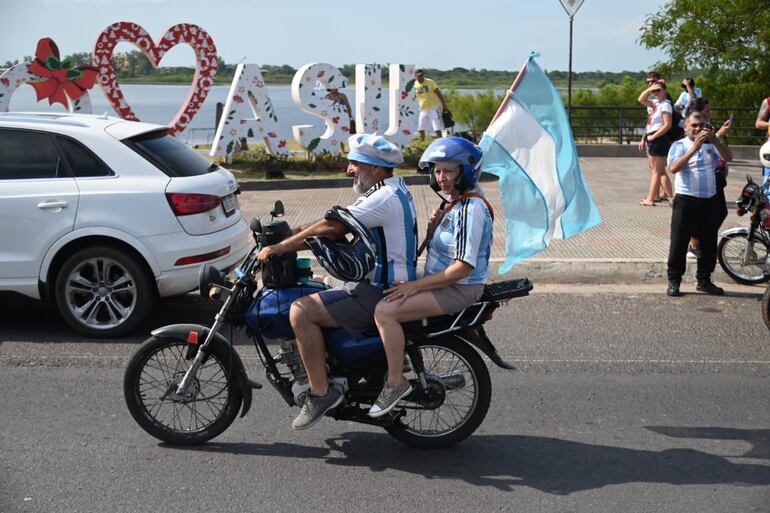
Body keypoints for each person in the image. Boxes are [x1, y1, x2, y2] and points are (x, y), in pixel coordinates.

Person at [256, 133, 418, 431]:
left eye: (355, 163)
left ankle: (320, 392)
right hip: (382, 283)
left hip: (379, 291)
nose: (349, 170)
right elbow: (332, 223)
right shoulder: (390, 190)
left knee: (300, 311)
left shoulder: (382, 198)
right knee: (322, 284)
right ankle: (336, 366)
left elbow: (333, 226)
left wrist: (281, 247)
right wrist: (289, 234)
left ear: (375, 167)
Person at [368, 137, 493, 417]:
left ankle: (396, 382)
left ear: (465, 172)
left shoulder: (471, 210)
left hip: (459, 288)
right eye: (437, 172)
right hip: (441, 281)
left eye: (448, 171)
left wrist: (414, 286)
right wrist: (432, 229)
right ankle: (401, 364)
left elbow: (463, 268)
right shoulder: (456, 204)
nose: (441, 178)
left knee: (385, 312)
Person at [665, 111, 726, 297]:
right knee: (679, 242)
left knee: (708, 242)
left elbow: (728, 158)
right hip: (686, 200)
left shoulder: (711, 146)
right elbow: (673, 168)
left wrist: (715, 140)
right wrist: (694, 148)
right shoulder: (679, 145)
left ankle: (704, 280)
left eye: (702, 125)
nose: (699, 129)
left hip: (709, 200)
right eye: (694, 125)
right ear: (686, 127)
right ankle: (674, 281)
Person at [682, 97, 733, 258]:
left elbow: (717, 150)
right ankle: (695, 244)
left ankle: (702, 241)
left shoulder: (707, 127)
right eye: (707, 111)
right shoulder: (696, 128)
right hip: (701, 179)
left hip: (715, 175)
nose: (709, 114)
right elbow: (700, 146)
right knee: (707, 213)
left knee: (720, 212)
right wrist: (718, 134)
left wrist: (718, 136)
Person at [638, 80, 674, 206]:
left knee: (657, 172)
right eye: (654, 91)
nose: (656, 93)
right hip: (653, 138)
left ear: (665, 90)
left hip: (659, 139)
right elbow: (641, 99)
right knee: (659, 171)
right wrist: (649, 90)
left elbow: (667, 124)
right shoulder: (656, 104)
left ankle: (651, 198)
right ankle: (670, 198)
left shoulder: (665, 105)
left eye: (658, 90)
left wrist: (654, 136)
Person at [414, 69, 449, 141]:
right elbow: (414, 96)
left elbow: (438, 93)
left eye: (421, 75)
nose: (421, 77)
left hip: (433, 108)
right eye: (418, 76)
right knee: (421, 129)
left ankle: (442, 142)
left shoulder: (430, 82)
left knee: (437, 128)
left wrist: (444, 105)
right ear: (416, 76)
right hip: (422, 109)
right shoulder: (415, 84)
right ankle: (421, 144)